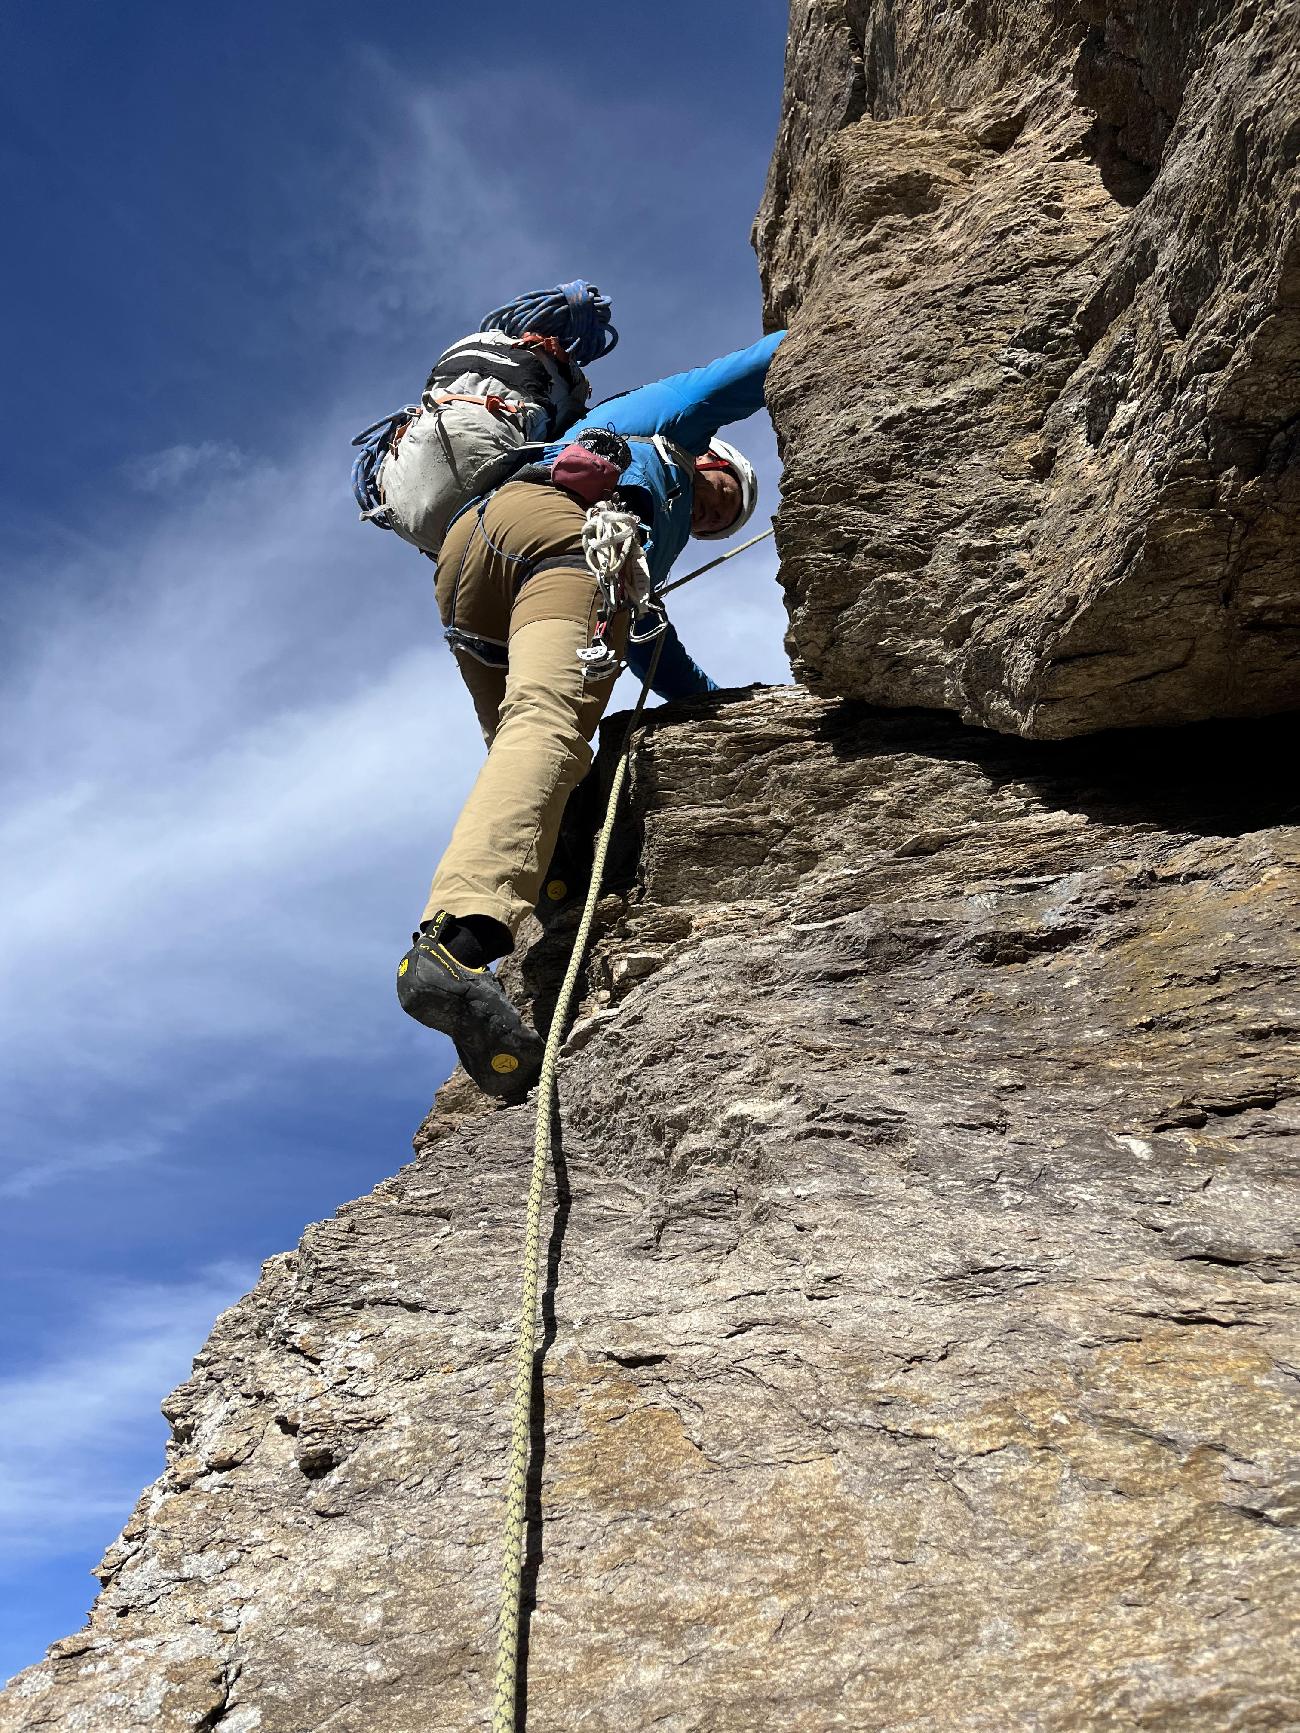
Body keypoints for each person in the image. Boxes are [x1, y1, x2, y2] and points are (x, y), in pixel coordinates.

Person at [396, 328, 785, 1100]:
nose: (710, 517)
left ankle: (559, 884)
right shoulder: (666, 430)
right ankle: (457, 942)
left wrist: (708, 701)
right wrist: (813, 327)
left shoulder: (618, 480)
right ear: (712, 461)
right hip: (557, 536)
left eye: (719, 521)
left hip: (474, 557)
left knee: (523, 747)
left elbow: (646, 644)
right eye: (717, 498)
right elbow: (728, 380)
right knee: (549, 727)